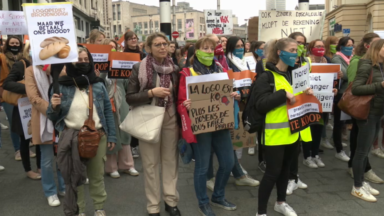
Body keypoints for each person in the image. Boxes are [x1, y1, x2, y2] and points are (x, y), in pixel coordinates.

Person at [47, 46, 116, 216]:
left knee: (96, 176)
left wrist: (112, 135)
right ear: (70, 62)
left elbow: (107, 110)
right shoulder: (60, 86)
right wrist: (54, 107)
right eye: (79, 59)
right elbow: (52, 116)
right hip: (71, 137)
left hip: (97, 136)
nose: (83, 62)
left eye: (86, 60)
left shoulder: (98, 84)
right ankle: (80, 210)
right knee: (74, 178)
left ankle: (99, 207)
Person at [178, 36, 237, 216]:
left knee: (228, 162)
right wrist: (186, 105)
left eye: (212, 49)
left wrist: (234, 94)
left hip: (219, 124)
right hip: (201, 127)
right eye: (205, 48)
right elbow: (180, 101)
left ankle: (218, 196)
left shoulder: (221, 70)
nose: (209, 52)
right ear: (197, 52)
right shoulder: (187, 73)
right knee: (202, 168)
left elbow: (227, 93)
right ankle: (203, 203)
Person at [254, 38, 313, 216]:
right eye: (292, 50)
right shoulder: (267, 76)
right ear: (280, 52)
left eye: (297, 50)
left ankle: (281, 203)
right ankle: (261, 212)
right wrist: (282, 94)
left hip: (294, 131)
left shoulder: (297, 75)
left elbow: (299, 101)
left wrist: (307, 94)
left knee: (286, 170)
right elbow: (260, 104)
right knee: (272, 173)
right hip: (274, 134)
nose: (296, 54)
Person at [126, 32, 181, 216]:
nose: (163, 47)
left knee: (170, 161)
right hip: (148, 119)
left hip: (170, 119)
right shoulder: (138, 68)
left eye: (164, 44)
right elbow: (130, 98)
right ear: (148, 48)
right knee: (150, 165)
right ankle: (153, 207)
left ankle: (171, 201)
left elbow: (180, 95)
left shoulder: (175, 68)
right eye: (157, 44)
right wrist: (151, 93)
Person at [205, 34, 259, 192]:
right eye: (215, 43)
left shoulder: (222, 62)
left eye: (221, 43)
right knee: (208, 146)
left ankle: (239, 175)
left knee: (227, 142)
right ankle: (209, 177)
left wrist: (237, 92)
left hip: (227, 106)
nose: (219, 46)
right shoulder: (198, 64)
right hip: (208, 111)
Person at [25, 61, 66, 206]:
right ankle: (50, 192)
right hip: (44, 119)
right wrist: (52, 110)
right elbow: (33, 97)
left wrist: (56, 72)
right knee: (47, 159)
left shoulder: (62, 67)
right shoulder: (30, 71)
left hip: (63, 118)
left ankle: (63, 187)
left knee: (63, 155)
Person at [346, 33, 383, 184]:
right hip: (368, 113)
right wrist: (379, 86)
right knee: (361, 152)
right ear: (376, 49)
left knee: (366, 150)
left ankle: (362, 182)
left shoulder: (381, 66)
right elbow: (356, 89)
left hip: (378, 113)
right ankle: (358, 186)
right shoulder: (366, 64)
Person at [101, 38, 139, 179]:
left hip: (121, 101)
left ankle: (127, 164)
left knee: (124, 131)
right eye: (109, 47)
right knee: (111, 132)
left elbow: (128, 85)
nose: (112, 50)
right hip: (106, 102)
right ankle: (111, 167)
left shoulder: (121, 64)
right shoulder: (99, 66)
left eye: (114, 47)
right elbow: (99, 81)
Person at [3, 41, 41, 180]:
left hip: (38, 106)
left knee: (39, 138)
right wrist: (28, 90)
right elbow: (7, 83)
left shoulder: (43, 65)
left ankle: (40, 167)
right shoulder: (21, 64)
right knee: (25, 139)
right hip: (23, 107)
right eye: (33, 49)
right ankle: (28, 170)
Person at [301, 39, 338, 169]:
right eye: (317, 46)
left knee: (318, 129)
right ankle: (307, 156)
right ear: (311, 48)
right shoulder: (305, 61)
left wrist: (332, 89)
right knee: (308, 129)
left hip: (322, 102)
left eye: (322, 46)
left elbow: (330, 80)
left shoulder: (326, 61)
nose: (321, 48)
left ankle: (315, 154)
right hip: (308, 101)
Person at [0, 35, 35, 161]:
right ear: (7, 45)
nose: (14, 45)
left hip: (24, 95)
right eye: (12, 43)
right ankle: (17, 150)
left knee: (26, 122)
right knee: (13, 123)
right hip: (8, 94)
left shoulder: (24, 60)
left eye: (16, 43)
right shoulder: (2, 57)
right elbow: (7, 82)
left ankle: (25, 147)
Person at [286, 32, 310, 195]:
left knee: (297, 146)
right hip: (287, 108)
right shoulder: (285, 63)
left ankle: (294, 176)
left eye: (303, 43)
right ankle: (288, 178)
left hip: (302, 107)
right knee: (289, 147)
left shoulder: (305, 61)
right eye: (297, 43)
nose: (300, 46)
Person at [123, 31, 146, 159]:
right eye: (131, 38)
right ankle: (129, 145)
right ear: (126, 41)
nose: (133, 40)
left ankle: (136, 144)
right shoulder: (121, 55)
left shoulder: (142, 55)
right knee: (128, 116)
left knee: (138, 116)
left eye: (135, 38)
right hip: (126, 86)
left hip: (139, 86)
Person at [331, 36, 354, 162]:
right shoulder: (337, 58)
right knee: (339, 123)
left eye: (351, 45)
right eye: (348, 45)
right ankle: (339, 150)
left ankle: (337, 141)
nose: (350, 48)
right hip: (341, 94)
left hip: (349, 93)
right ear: (341, 46)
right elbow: (345, 75)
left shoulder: (351, 58)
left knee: (346, 122)